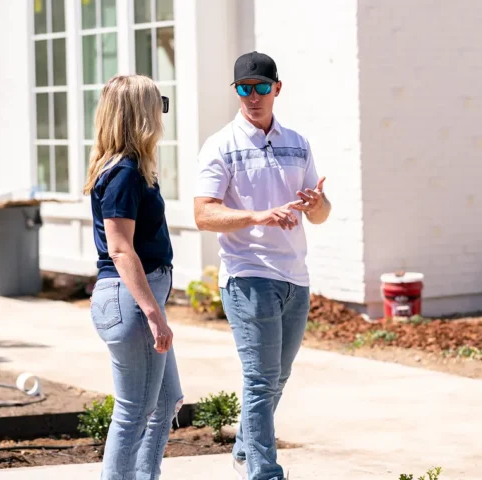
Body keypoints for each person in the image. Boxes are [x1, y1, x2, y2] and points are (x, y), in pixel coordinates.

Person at [194, 51, 331, 480]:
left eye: (260, 87)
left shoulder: (298, 142)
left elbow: (322, 214)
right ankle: (263, 472)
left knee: (278, 378)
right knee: (259, 379)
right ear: (235, 92)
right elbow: (203, 214)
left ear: (277, 88)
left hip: (295, 277)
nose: (252, 96)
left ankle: (243, 449)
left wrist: (318, 203)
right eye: (243, 89)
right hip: (248, 275)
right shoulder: (220, 145)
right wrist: (256, 216)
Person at [83, 74, 183, 480]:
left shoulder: (126, 169)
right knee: (133, 414)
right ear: (139, 114)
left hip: (131, 298)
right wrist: (153, 314)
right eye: (157, 103)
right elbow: (121, 249)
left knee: (166, 402)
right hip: (130, 300)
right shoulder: (123, 172)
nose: (162, 113)